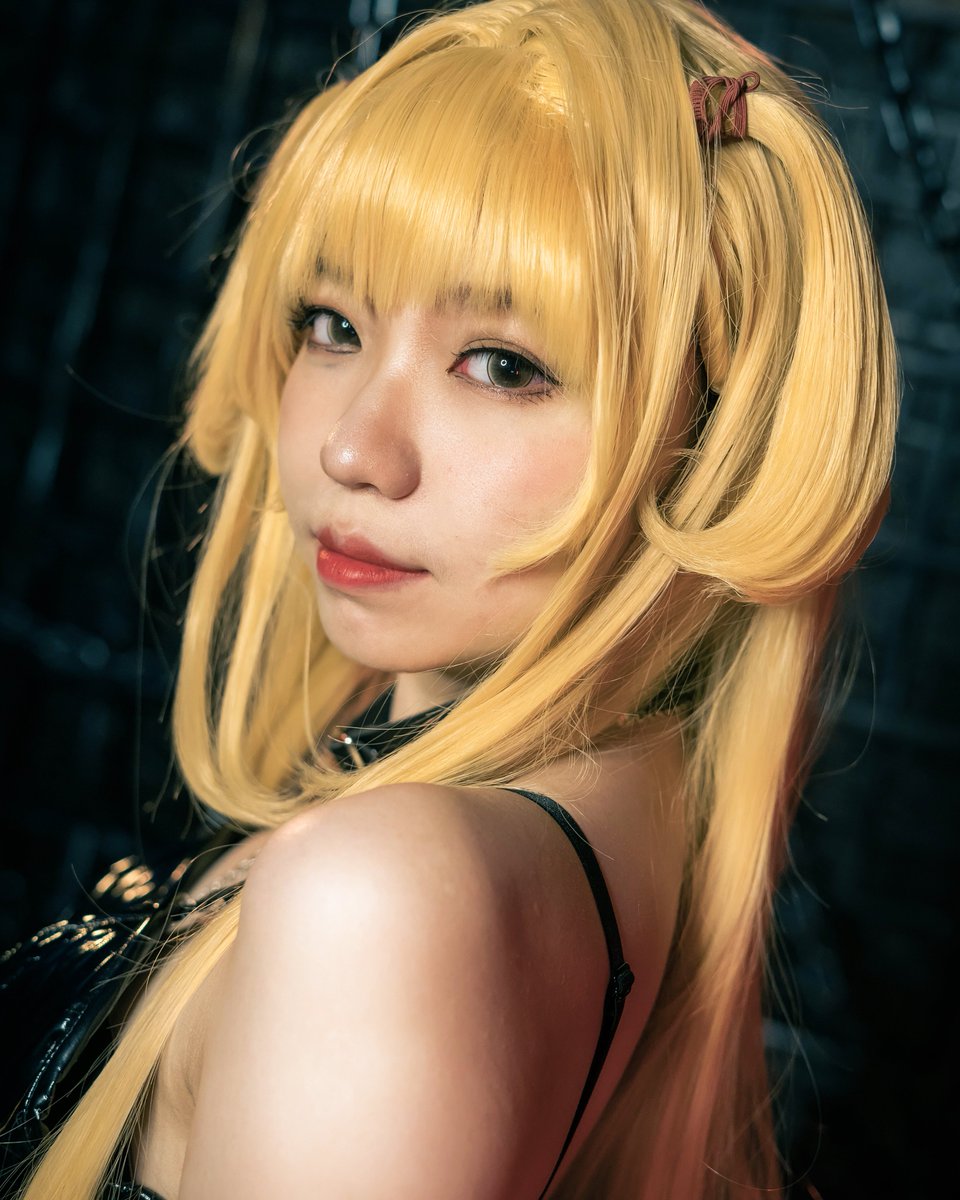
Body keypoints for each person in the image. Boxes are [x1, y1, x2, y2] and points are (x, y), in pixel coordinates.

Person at [0, 0, 898, 1196]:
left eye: (502, 365)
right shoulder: (613, 829)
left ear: (706, 446)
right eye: (333, 324)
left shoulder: (381, 898)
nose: (353, 450)